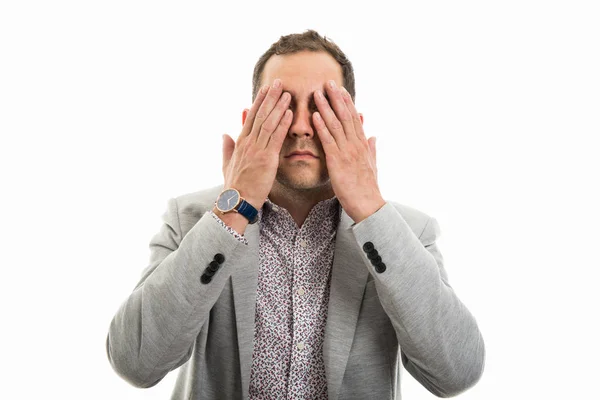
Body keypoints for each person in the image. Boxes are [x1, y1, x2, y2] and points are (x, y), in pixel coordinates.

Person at [106, 29, 485, 399]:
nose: (302, 127)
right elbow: (136, 363)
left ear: (353, 124)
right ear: (250, 122)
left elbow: (455, 374)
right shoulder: (192, 220)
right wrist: (233, 211)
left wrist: (370, 210)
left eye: (322, 108)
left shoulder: (408, 232)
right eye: (283, 107)